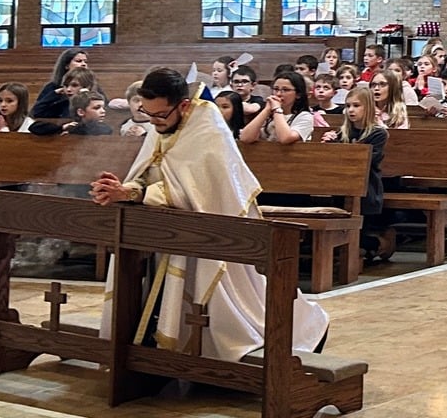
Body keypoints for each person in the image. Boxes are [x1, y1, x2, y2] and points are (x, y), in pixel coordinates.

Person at [89, 68, 331, 362]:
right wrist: (123, 188)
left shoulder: (208, 130)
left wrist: (133, 194)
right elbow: (152, 173)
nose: (153, 121)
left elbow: (197, 194)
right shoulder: (162, 123)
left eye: (160, 115)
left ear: (183, 105)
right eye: (147, 113)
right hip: (167, 232)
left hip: (216, 237)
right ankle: (156, 356)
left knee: (236, 308)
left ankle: (297, 328)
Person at [319, 87, 391, 260]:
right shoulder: (342, 133)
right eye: (348, 106)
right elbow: (331, 161)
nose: (351, 110)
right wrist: (328, 145)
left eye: (356, 105)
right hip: (341, 187)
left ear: (368, 107)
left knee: (358, 238)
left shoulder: (378, 133)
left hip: (366, 189)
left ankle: (381, 244)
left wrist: (339, 147)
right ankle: (361, 248)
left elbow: (365, 160)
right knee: (343, 235)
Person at [239, 72, 314, 144]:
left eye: (285, 90)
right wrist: (266, 110)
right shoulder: (268, 115)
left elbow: (285, 138)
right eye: (276, 89)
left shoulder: (304, 116)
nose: (278, 94)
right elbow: (245, 138)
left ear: (298, 94)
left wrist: (277, 109)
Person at [32, 48, 87, 124]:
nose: (84, 64)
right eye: (78, 61)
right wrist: (54, 94)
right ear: (66, 65)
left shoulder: (92, 87)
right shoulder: (52, 87)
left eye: (85, 61)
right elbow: (36, 112)